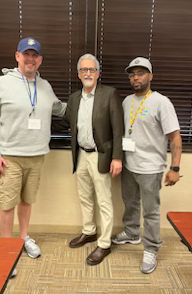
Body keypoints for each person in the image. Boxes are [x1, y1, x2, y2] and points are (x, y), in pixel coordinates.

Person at [0, 37, 66, 271]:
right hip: (9, 157)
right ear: (17, 56)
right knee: (7, 204)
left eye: (34, 55)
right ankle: (7, 249)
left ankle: (24, 237)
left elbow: (60, 109)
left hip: (37, 155)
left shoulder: (45, 86)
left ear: (40, 60)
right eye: (26, 54)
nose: (30, 59)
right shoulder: (1, 84)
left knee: (27, 201)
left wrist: (89, 103)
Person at [112, 57, 182, 274]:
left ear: (150, 76)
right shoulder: (126, 102)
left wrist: (175, 168)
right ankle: (132, 233)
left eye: (141, 73)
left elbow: (175, 137)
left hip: (151, 168)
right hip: (130, 165)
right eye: (132, 74)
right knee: (130, 203)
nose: (136, 78)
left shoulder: (161, 102)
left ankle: (151, 248)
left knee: (151, 212)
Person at [53, 53, 123, 265]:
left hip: (101, 155)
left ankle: (104, 244)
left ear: (98, 73)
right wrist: (38, 117)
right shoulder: (74, 98)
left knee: (103, 200)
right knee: (84, 196)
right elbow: (66, 122)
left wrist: (117, 158)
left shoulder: (109, 94)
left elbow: (118, 130)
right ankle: (89, 231)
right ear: (78, 74)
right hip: (80, 154)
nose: (87, 73)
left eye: (91, 69)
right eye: (84, 70)